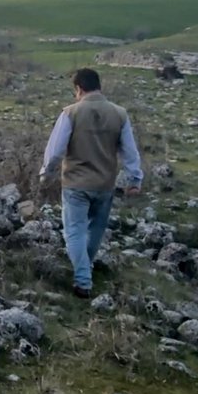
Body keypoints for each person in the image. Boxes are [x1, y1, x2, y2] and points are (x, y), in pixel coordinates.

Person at [39, 68, 143, 299]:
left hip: (76, 183)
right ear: (99, 86)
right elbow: (129, 152)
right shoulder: (120, 114)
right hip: (105, 184)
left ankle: (83, 280)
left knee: (74, 230)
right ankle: (85, 267)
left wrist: (47, 173)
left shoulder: (71, 113)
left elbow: (55, 150)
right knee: (95, 230)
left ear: (79, 88)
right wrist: (134, 179)